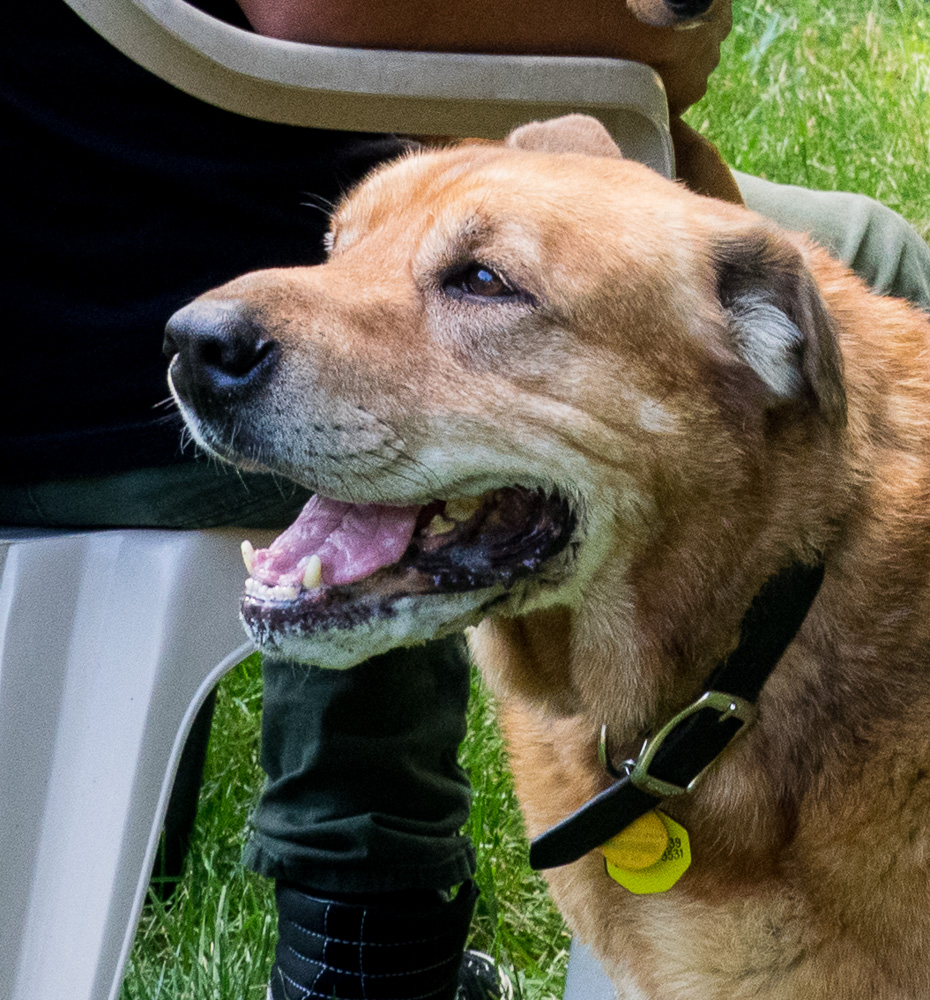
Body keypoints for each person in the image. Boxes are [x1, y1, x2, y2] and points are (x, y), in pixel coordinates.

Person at [1, 2, 927, 999]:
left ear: (781, 357)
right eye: (346, 245)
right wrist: (659, 37)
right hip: (96, 316)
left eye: (481, 282)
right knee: (878, 245)